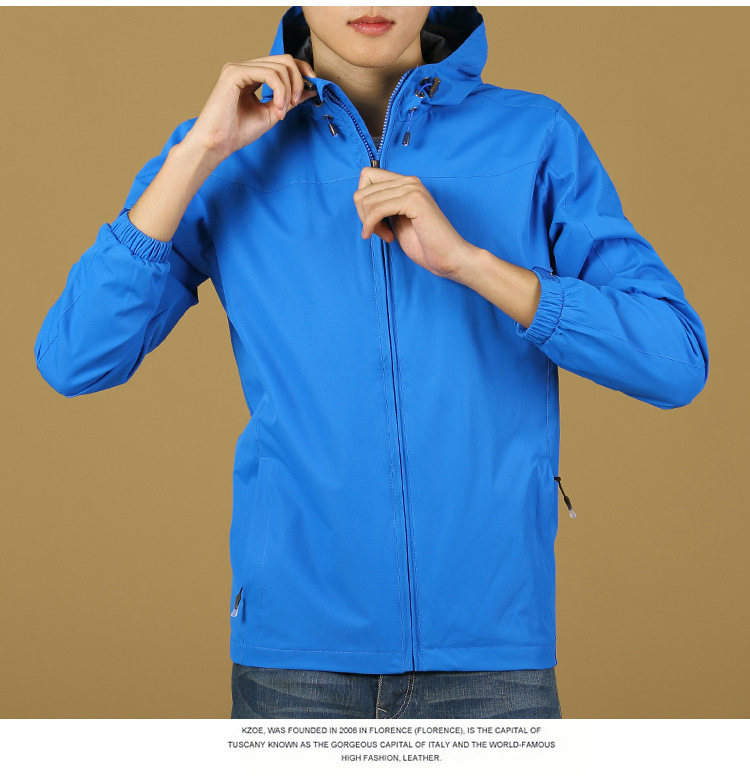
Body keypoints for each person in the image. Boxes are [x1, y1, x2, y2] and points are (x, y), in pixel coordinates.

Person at [33, 6, 709, 719]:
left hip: (492, 660)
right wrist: (199, 151)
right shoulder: (222, 153)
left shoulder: (534, 137)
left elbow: (674, 358)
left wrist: (472, 264)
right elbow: (75, 356)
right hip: (296, 665)